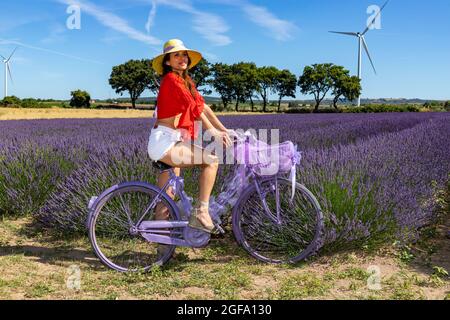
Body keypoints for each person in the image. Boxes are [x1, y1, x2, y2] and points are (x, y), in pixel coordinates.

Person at [148, 39, 232, 233]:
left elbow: (203, 107)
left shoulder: (185, 82)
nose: (182, 58)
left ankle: (163, 250)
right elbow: (193, 109)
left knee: (167, 200)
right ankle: (202, 212)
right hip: (165, 143)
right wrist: (212, 132)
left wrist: (224, 130)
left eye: (184, 54)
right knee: (211, 160)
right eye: (176, 55)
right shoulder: (171, 80)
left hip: (170, 140)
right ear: (167, 61)